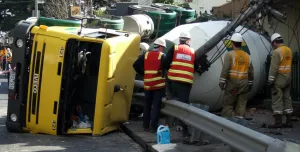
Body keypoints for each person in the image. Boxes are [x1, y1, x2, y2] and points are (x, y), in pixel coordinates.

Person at [162, 31, 197, 138]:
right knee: (184, 105)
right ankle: (185, 130)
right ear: (188, 41)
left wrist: (170, 69)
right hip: (186, 82)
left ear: (180, 40)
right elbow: (194, 66)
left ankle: (169, 96)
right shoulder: (192, 51)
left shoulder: (175, 48)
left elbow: (165, 62)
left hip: (174, 80)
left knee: (173, 101)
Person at [133, 39, 166, 133]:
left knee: (147, 105)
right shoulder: (162, 56)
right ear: (160, 47)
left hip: (147, 85)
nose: (163, 50)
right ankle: (153, 127)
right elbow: (167, 67)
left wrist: (144, 73)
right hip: (158, 86)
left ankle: (145, 125)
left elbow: (135, 65)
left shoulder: (146, 55)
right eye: (163, 48)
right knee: (156, 106)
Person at [219, 33, 254, 119]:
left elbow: (225, 70)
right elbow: (251, 72)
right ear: (241, 43)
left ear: (232, 43)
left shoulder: (230, 55)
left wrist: (222, 82)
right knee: (241, 104)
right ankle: (239, 125)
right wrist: (250, 83)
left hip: (232, 84)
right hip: (244, 84)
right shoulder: (247, 56)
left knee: (228, 104)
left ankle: (226, 124)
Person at [266, 33, 293, 128]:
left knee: (277, 99)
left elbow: (273, 69)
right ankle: (289, 121)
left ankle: (278, 122)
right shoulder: (289, 50)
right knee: (287, 99)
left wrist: (270, 81)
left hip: (279, 80)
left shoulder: (277, 52)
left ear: (274, 43)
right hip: (288, 79)